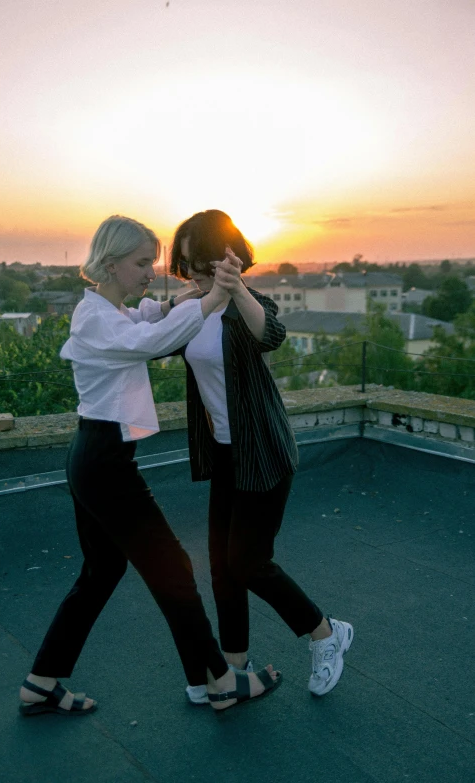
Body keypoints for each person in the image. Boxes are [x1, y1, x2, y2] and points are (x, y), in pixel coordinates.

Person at [18, 215, 282, 717]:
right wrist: (211, 300)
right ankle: (222, 682)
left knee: (101, 572)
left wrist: (181, 302)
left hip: (96, 457)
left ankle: (41, 682)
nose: (150, 272)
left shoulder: (104, 310)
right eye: (142, 263)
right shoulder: (95, 317)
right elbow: (148, 342)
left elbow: (145, 320)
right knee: (174, 569)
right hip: (105, 464)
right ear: (111, 263)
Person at [168, 210, 354, 705]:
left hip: (264, 452)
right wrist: (189, 298)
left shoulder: (251, 304)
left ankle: (325, 632)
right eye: (186, 267)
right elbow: (160, 341)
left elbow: (270, 334)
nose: (195, 276)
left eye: (202, 264)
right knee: (222, 566)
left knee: (248, 562)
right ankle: (233, 671)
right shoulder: (195, 306)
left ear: (226, 256)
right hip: (226, 454)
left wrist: (236, 289)